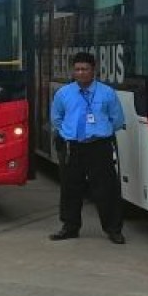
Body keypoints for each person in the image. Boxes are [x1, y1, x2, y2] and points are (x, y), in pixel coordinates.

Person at [48, 52, 127, 244]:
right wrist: (68, 132)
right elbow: (56, 118)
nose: (81, 73)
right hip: (72, 146)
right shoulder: (64, 93)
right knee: (70, 188)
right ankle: (70, 227)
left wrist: (100, 131)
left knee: (106, 189)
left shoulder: (107, 93)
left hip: (99, 146)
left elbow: (117, 120)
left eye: (85, 69)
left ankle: (113, 229)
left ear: (94, 70)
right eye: (77, 69)